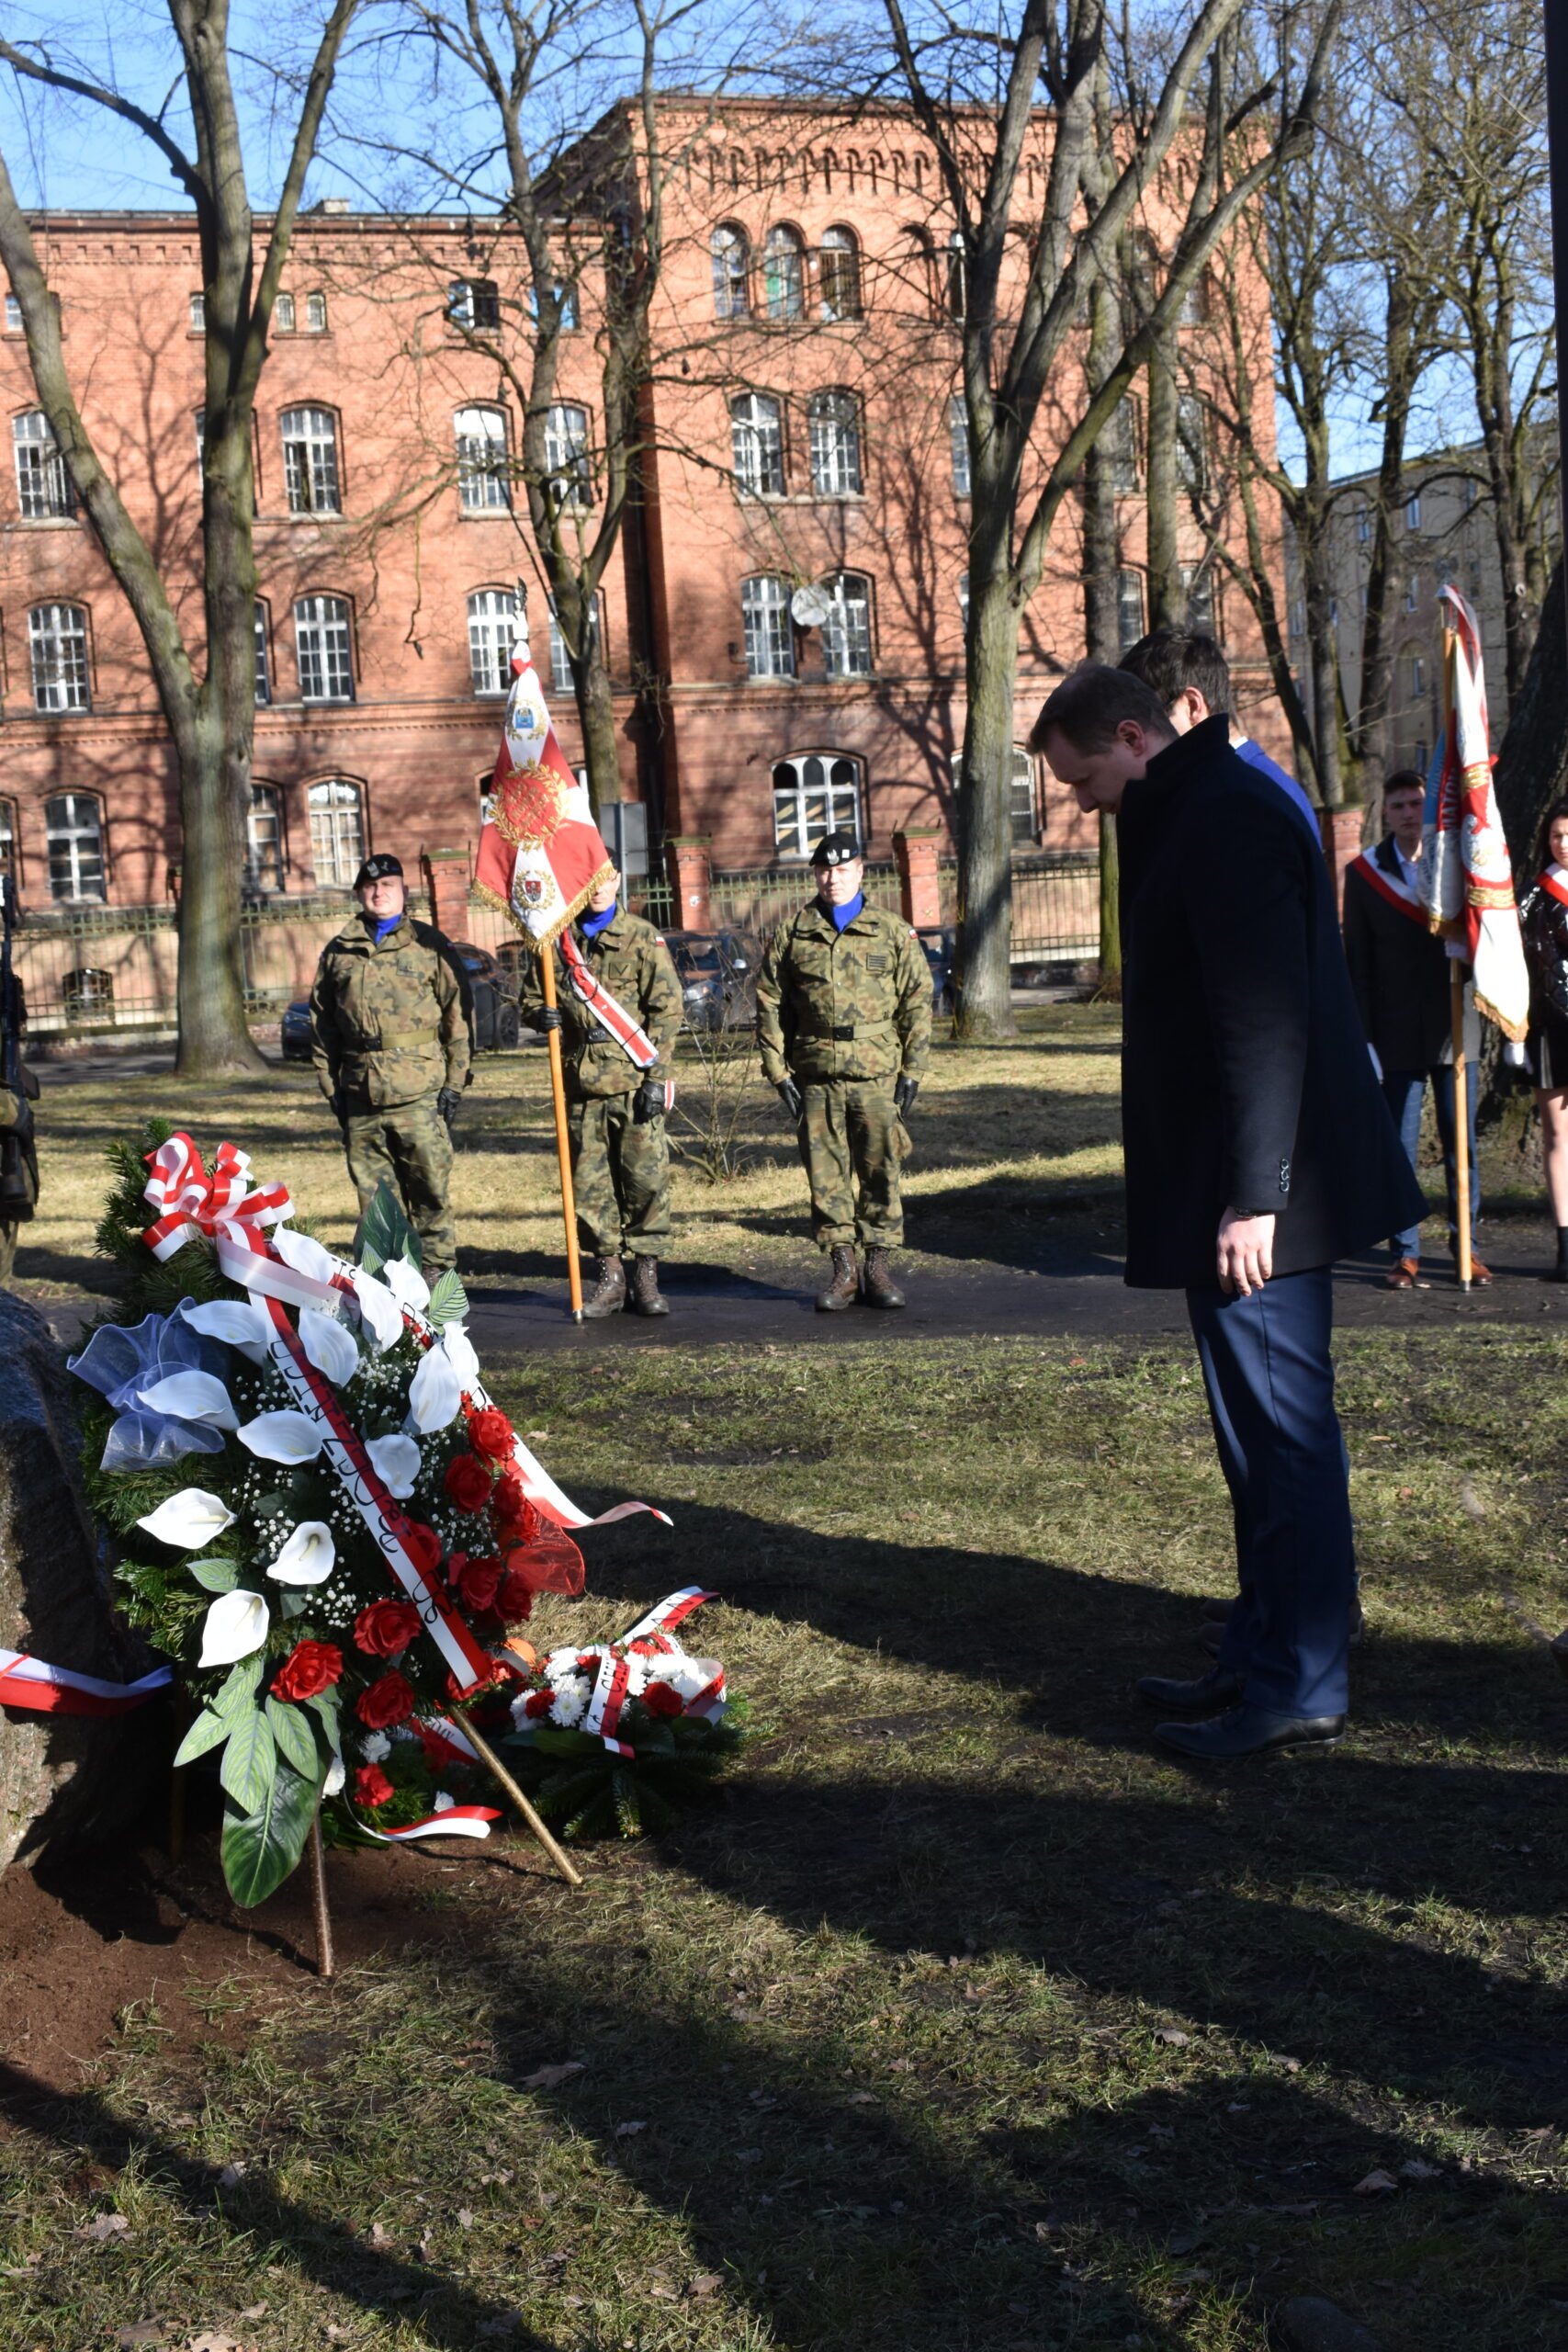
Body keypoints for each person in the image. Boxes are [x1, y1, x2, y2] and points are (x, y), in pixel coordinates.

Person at [1032, 664, 1421, 1760]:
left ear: (1132, 735)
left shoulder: (1226, 814)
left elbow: (1265, 1020)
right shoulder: (1197, 804)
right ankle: (1262, 1649)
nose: (1083, 803)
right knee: (1255, 1444)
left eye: (1084, 779)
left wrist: (1257, 1195)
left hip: (1265, 1204)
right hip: (1238, 1190)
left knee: (1285, 1440)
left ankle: (1302, 1679)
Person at [756, 831, 931, 1310]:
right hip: (816, 1076)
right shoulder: (794, 934)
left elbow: (917, 1002)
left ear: (860, 871)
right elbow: (769, 1002)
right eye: (823, 870)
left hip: (877, 1075)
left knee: (881, 1171)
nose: (832, 879)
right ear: (815, 874)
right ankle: (844, 1271)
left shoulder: (891, 931)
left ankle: (878, 1268)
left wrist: (913, 1070)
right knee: (825, 1177)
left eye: (841, 869)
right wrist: (777, 1071)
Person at [1342, 769, 1487, 1289]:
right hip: (1394, 1032)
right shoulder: (1364, 873)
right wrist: (1364, 1039)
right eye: (1399, 805)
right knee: (1400, 1150)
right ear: (1385, 812)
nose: (1408, 813)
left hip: (1454, 1025)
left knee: (1461, 1145)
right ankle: (1405, 1252)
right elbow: (1356, 965)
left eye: (1416, 804)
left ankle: (1467, 1247)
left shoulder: (1461, 866)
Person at [518, 873, 682, 1317]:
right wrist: (539, 1015)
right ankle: (610, 1278)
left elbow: (667, 1010)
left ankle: (646, 1277)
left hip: (633, 1081)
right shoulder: (555, 943)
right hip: (581, 1086)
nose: (597, 887)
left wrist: (656, 1078)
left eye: (605, 877)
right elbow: (530, 998)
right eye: (589, 879)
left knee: (645, 1181)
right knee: (590, 1187)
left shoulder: (642, 936)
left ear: (618, 880)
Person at [310, 853, 470, 1276]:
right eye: (370, 887)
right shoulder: (339, 951)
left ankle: (437, 1276)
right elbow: (322, 1026)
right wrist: (332, 1089)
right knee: (375, 1203)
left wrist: (454, 1084)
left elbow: (458, 1018)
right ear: (359, 893)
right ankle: (387, 1283)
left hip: (419, 1094)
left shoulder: (429, 945)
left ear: (404, 892)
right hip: (361, 1096)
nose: (379, 893)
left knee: (429, 1191)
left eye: (388, 886)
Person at [1119, 626, 1320, 838]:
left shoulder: (1248, 798)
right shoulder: (1245, 785)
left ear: (1192, 707)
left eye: (1145, 726)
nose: (1141, 747)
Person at [1517, 797, 1568, 1281]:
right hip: (1552, 1030)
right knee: (1558, 1136)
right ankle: (1566, 1247)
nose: (1564, 843)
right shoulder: (1533, 894)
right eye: (1556, 835)